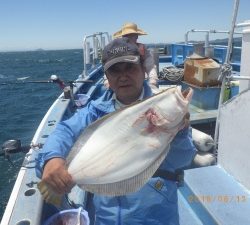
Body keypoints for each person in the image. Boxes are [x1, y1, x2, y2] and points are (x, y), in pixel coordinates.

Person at [36, 37, 196, 225]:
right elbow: (64, 130)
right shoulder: (94, 111)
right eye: (114, 70)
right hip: (107, 219)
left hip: (156, 217)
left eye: (130, 67)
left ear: (143, 70)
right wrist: (52, 158)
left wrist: (180, 134)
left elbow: (182, 160)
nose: (123, 76)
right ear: (107, 77)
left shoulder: (163, 109)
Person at [104, 22, 159, 93]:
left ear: (136, 36)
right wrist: (107, 82)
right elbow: (109, 68)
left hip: (141, 81)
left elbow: (150, 67)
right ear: (122, 37)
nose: (129, 38)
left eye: (132, 35)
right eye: (126, 35)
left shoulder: (143, 50)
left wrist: (152, 82)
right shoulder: (117, 50)